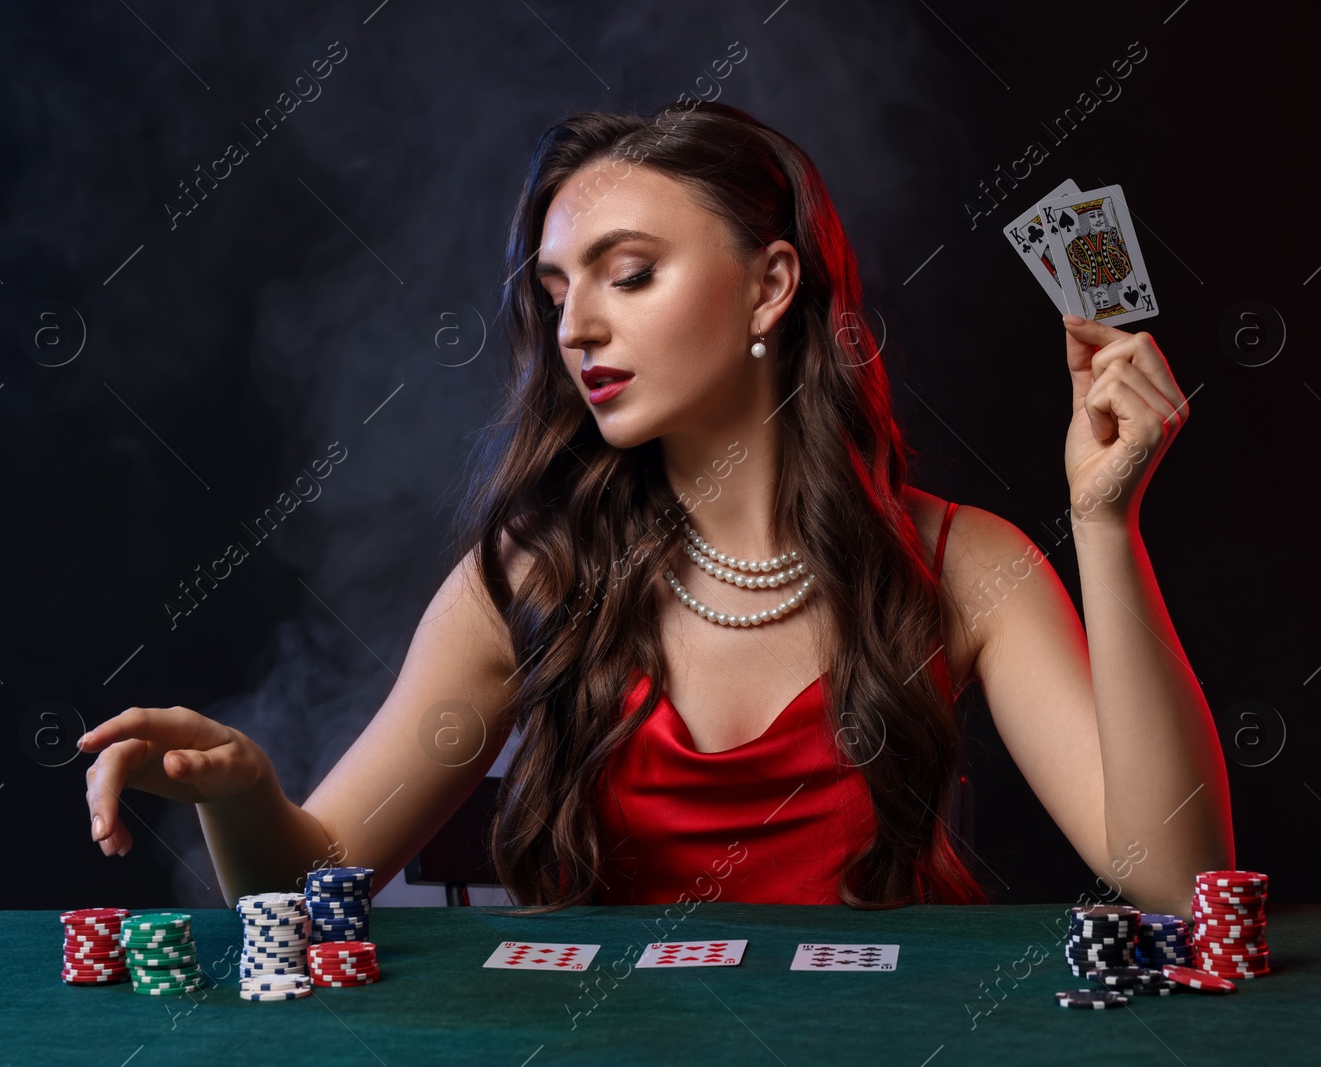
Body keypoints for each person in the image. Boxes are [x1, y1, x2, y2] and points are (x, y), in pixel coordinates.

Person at [78, 100, 1231, 918]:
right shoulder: (531, 573)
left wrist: (1103, 525)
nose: (576, 325)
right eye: (556, 287)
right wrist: (245, 794)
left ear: (771, 286)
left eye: (628, 274)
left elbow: (1174, 877)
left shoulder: (962, 561)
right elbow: (305, 889)